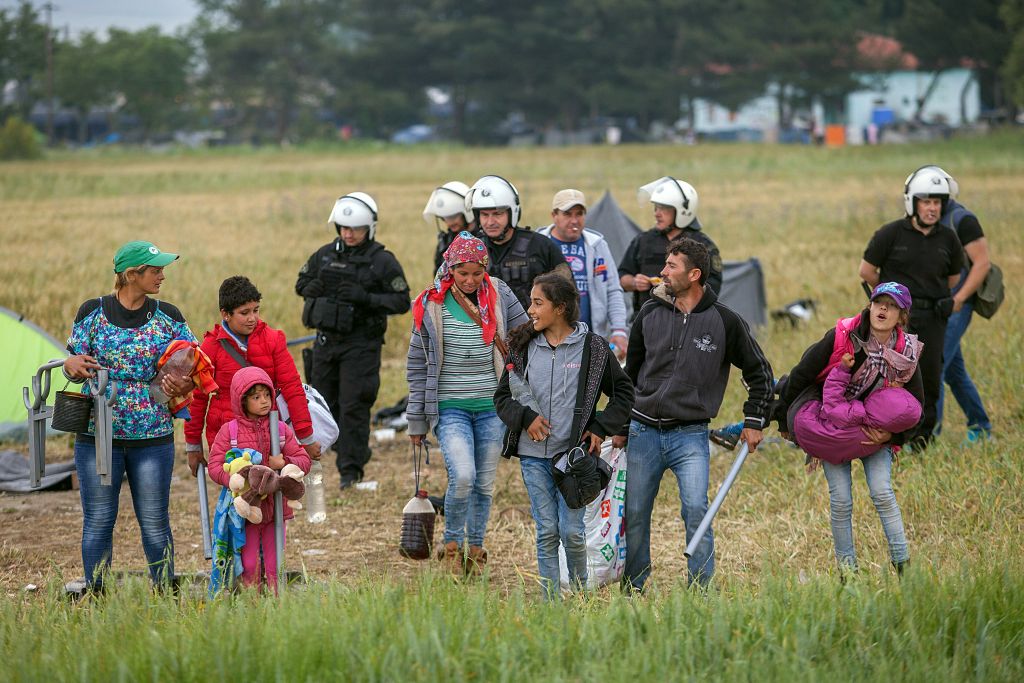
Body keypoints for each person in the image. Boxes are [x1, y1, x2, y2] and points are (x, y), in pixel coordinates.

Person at [618, 238, 772, 591]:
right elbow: (630, 376)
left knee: (696, 511)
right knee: (636, 513)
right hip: (643, 431)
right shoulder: (649, 313)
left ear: (695, 274)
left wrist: (753, 420)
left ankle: (700, 589)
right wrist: (620, 424)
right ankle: (633, 585)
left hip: (690, 435)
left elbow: (760, 374)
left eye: (671, 266)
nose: (663, 272)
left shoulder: (725, 321)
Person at [62, 241, 197, 590]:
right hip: (98, 438)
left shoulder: (169, 316)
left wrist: (182, 383)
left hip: (153, 437)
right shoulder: (92, 312)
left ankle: (165, 593)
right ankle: (96, 592)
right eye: (155, 271)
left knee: (154, 522)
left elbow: (193, 363)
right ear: (132, 275)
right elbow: (73, 362)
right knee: (98, 521)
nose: (162, 276)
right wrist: (70, 365)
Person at [494, 273, 634, 600]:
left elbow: (624, 393)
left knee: (572, 533)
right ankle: (550, 600)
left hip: (572, 462)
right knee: (546, 532)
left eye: (537, 303)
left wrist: (600, 428)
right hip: (532, 457)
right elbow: (502, 398)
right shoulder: (522, 347)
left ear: (559, 308)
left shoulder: (594, 349)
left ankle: (581, 595)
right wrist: (525, 418)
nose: (530, 309)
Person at [778, 282, 924, 577]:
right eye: (878, 302)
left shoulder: (906, 352)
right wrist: (784, 421)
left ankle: (903, 567)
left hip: (875, 433)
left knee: (882, 492)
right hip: (832, 426)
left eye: (891, 305)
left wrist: (892, 436)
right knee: (841, 499)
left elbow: (918, 406)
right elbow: (801, 374)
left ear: (902, 316)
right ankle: (848, 574)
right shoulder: (843, 337)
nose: (883, 309)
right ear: (870, 305)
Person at [406, 231, 528, 575]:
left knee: (484, 482)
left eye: (477, 273)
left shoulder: (500, 294)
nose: (471, 280)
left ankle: (476, 549)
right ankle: (451, 543)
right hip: (449, 407)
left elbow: (523, 335)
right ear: (450, 269)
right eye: (463, 274)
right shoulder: (430, 304)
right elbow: (417, 365)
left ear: (485, 267)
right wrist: (416, 421)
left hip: (492, 406)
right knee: (463, 475)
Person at [296, 192, 411, 489]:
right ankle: (313, 463)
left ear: (369, 228)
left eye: (355, 229)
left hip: (360, 346)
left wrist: (366, 298)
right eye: (344, 228)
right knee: (321, 404)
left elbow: (401, 300)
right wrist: (315, 287)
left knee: (353, 407)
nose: (348, 234)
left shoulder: (382, 262)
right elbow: (301, 284)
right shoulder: (324, 255)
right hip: (326, 343)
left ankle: (351, 471)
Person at [859, 168, 964, 447]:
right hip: (898, 319)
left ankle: (921, 439)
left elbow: (953, 277)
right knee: (888, 375)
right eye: (926, 201)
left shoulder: (949, 239)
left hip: (933, 318)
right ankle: (885, 435)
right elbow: (867, 271)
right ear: (912, 203)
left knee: (928, 377)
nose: (932, 208)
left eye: (937, 202)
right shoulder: (890, 234)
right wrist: (891, 300)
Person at [185, 276, 320, 476]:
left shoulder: (273, 340)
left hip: (270, 433)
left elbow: (292, 389)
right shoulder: (211, 347)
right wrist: (193, 445)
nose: (252, 318)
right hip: (229, 438)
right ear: (225, 314)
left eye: (256, 310)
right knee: (239, 496)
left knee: (274, 494)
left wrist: (305, 438)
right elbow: (198, 398)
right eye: (244, 313)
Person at [207, 367, 311, 591]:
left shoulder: (281, 429)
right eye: (256, 397)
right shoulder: (230, 432)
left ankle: (277, 606)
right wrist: (233, 478)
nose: (264, 401)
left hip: (276, 512)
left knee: (276, 565)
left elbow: (304, 460)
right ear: (242, 400)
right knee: (249, 564)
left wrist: (283, 464)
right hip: (247, 512)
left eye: (267, 395)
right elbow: (215, 465)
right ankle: (252, 605)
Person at [926, 166, 993, 443]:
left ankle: (927, 437)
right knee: (954, 371)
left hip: (956, 305)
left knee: (934, 366)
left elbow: (982, 263)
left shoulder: (963, 220)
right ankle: (980, 426)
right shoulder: (927, 219)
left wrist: (960, 299)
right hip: (936, 305)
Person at [536, 189, 629, 362]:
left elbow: (613, 290)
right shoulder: (538, 243)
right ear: (554, 215)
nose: (574, 220)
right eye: (567, 214)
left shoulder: (597, 245)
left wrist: (619, 330)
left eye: (579, 214)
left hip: (591, 339)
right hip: (547, 340)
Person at [619, 176, 723, 316]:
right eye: (656, 207)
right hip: (645, 320)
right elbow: (621, 277)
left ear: (683, 211)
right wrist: (634, 282)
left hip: (686, 320)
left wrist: (677, 285)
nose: (657, 213)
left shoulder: (702, 245)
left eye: (664, 208)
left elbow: (712, 287)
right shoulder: (642, 240)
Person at [464, 174, 571, 309]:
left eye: (497, 214)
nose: (490, 222)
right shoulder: (469, 250)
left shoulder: (542, 246)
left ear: (512, 213)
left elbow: (569, 296)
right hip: (486, 329)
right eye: (485, 215)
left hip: (535, 328)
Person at [423, 181, 479, 272]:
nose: (449, 223)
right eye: (444, 218)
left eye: (453, 217)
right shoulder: (445, 242)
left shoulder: (484, 240)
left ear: (467, 213)